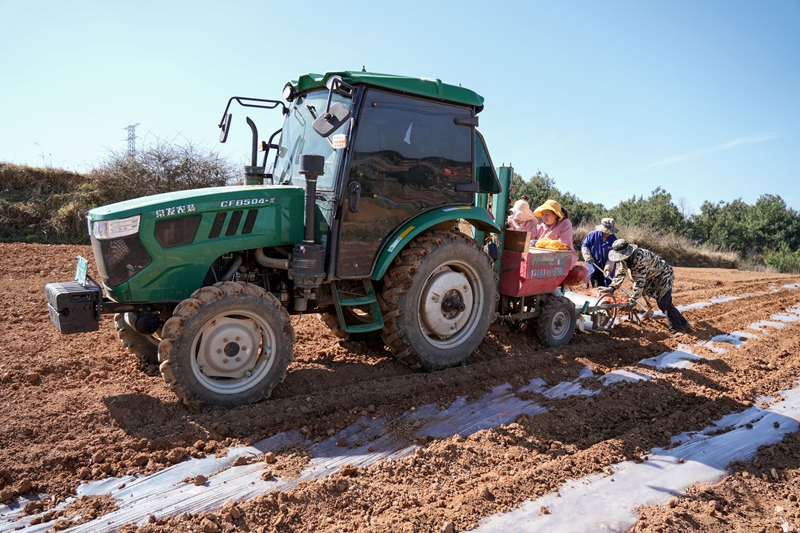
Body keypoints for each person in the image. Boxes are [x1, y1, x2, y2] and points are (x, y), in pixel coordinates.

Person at [601, 239, 692, 337]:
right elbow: (621, 272)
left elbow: (640, 281)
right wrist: (612, 287)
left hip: (663, 276)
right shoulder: (625, 259)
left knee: (665, 303)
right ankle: (684, 323)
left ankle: (678, 329)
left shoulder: (640, 257)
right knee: (663, 304)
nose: (621, 258)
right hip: (652, 278)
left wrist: (633, 298)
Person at [531, 199, 578, 270]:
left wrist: (540, 243)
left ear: (556, 215)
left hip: (561, 263)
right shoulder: (538, 226)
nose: (544, 217)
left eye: (547, 214)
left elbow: (563, 243)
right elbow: (529, 240)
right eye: (543, 214)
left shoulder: (565, 223)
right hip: (539, 262)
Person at [581, 218, 618, 288]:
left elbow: (613, 257)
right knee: (597, 285)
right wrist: (587, 256)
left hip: (607, 267)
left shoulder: (614, 240)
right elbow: (585, 246)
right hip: (593, 265)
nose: (607, 233)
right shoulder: (593, 235)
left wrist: (608, 269)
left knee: (607, 286)